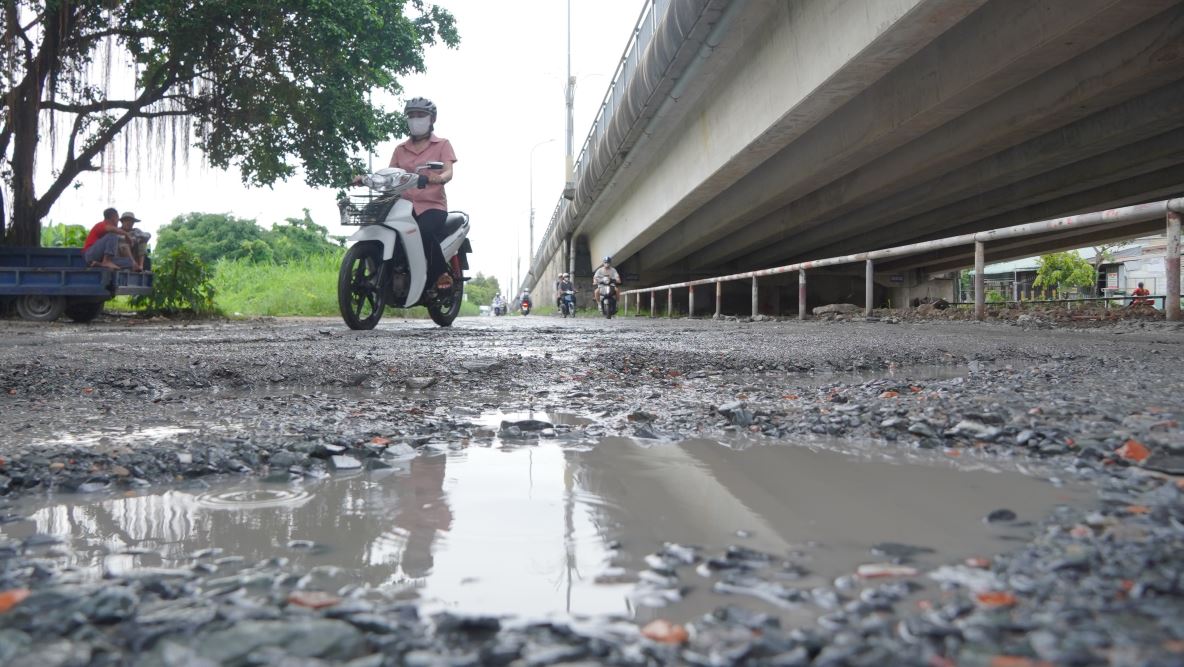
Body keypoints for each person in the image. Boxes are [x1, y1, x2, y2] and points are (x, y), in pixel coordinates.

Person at [356, 97, 457, 293]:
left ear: (432, 119)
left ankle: (439, 274)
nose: (415, 119)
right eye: (411, 116)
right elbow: (390, 174)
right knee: (378, 222)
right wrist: (367, 179)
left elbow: (448, 171)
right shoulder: (400, 149)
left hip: (432, 205)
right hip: (402, 205)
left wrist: (436, 178)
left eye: (421, 115)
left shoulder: (442, 144)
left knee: (423, 232)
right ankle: (384, 272)